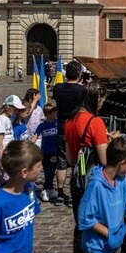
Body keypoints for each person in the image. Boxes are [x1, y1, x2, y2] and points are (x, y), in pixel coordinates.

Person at [65, 81, 111, 253]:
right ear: (95, 98)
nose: (102, 105)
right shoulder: (95, 122)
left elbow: (70, 158)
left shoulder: (70, 121)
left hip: (77, 182)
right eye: (101, 100)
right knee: (98, 229)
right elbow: (104, 160)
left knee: (80, 229)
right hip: (94, 184)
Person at [52, 60, 84, 206]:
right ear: (79, 74)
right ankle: (73, 193)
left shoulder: (57, 88)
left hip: (61, 127)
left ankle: (60, 194)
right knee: (76, 162)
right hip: (76, 129)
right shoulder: (81, 90)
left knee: (62, 162)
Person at [33, 102, 60, 202]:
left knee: (52, 171)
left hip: (54, 151)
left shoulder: (57, 123)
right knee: (47, 171)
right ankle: (48, 188)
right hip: (45, 151)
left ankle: (47, 188)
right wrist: (30, 144)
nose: (55, 114)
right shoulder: (42, 125)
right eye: (53, 113)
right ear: (48, 114)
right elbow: (36, 136)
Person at [0, 95, 24, 171]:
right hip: (4, 152)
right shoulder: (2, 119)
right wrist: (2, 159)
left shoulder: (8, 118)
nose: (16, 112)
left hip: (9, 151)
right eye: (15, 110)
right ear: (8, 107)